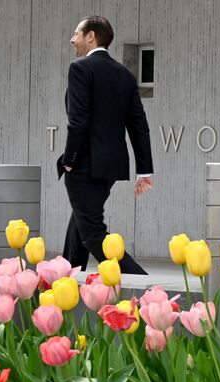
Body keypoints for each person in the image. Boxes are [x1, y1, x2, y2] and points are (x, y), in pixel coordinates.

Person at [58, 15, 153, 274]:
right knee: (80, 225)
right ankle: (67, 280)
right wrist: (144, 170)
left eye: (76, 33)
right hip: (110, 167)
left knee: (93, 233)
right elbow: (139, 125)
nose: (72, 39)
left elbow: (77, 122)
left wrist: (69, 160)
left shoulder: (80, 69)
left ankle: (144, 287)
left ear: (91, 36)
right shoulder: (124, 75)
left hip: (84, 166)